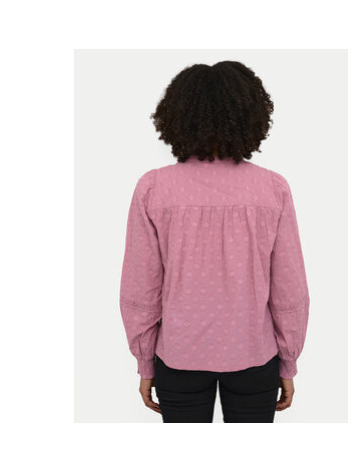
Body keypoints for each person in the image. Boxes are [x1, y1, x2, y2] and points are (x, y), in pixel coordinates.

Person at [119, 61, 310, 423]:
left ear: (176, 115)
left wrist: (145, 362)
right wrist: (289, 361)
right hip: (255, 357)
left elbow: (141, 288)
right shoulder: (272, 188)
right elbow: (289, 289)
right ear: (251, 116)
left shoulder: (154, 188)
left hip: (179, 357)